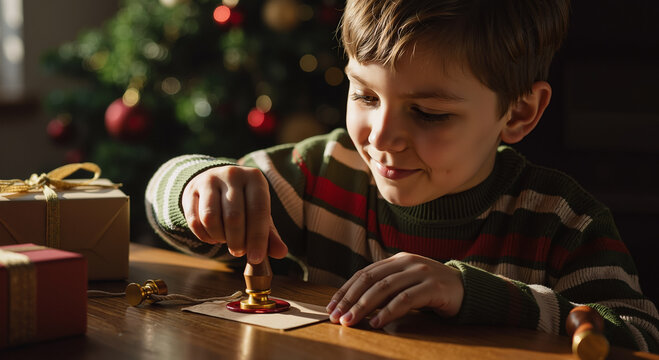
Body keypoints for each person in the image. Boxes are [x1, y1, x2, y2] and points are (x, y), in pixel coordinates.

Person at [145, 0, 659, 352]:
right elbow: (171, 211)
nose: (380, 137)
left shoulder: (564, 222)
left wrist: (470, 293)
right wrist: (198, 186)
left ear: (520, 112)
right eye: (365, 96)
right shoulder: (319, 174)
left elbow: (637, 337)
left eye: (430, 114)